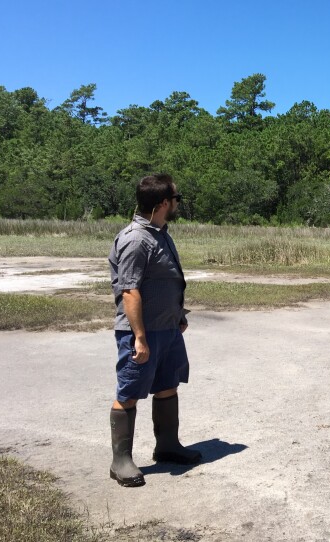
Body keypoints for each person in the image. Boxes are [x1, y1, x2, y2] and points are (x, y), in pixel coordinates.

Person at [107, 173, 201, 487]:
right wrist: (139, 337)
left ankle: (168, 445)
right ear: (163, 203)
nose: (177, 203)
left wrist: (178, 315)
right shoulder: (136, 239)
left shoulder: (159, 232)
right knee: (129, 392)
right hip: (141, 333)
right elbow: (130, 291)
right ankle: (120, 460)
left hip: (167, 330)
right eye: (176, 198)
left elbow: (162, 282)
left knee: (167, 385)